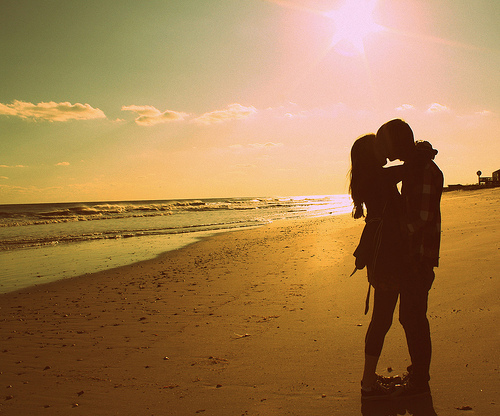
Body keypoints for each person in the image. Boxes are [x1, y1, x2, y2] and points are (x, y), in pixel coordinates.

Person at [375, 119, 444, 398]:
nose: (383, 148)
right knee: (411, 317)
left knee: (413, 318)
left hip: (419, 257)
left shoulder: (424, 169)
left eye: (385, 142)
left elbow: (421, 219)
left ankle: (419, 380)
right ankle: (418, 374)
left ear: (396, 142)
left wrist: (394, 226)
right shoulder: (416, 165)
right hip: (414, 256)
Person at [349, 134, 406, 401]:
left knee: (381, 319)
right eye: (379, 146)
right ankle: (368, 383)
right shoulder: (376, 177)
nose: (384, 147)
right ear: (371, 154)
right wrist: (418, 151)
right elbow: (408, 168)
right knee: (381, 319)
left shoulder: (369, 177)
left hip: (381, 252)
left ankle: (368, 379)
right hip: (385, 253)